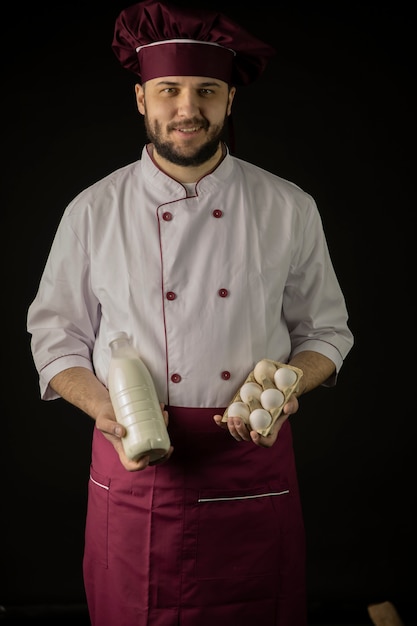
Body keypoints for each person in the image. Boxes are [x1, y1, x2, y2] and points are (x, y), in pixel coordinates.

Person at [27, 1, 354, 624]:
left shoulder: (288, 206)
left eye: (206, 90)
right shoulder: (92, 211)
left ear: (229, 101)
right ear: (141, 99)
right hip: (136, 456)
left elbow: (326, 330)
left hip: (249, 454)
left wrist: (287, 389)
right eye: (168, 90)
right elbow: (55, 335)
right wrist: (106, 410)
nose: (187, 108)